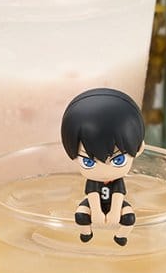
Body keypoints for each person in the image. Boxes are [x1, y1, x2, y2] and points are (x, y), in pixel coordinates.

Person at [60, 88, 145, 247]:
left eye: (118, 160)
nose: (104, 171)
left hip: (115, 206)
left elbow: (118, 196)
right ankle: (86, 233)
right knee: (81, 215)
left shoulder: (117, 182)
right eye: (88, 162)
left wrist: (114, 213)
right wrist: (97, 213)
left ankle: (121, 237)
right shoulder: (93, 181)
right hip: (93, 206)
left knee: (129, 218)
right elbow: (92, 196)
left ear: (139, 149)